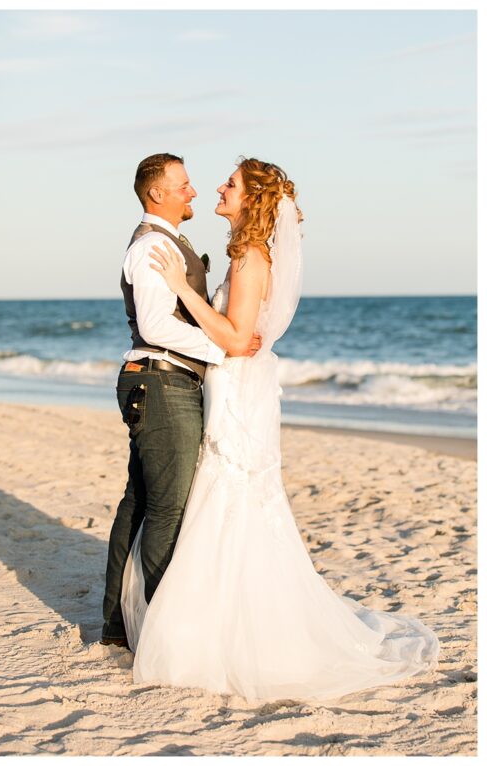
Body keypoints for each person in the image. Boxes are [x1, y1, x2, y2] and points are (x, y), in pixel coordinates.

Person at [122, 158, 439, 701]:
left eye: (231, 183)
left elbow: (236, 336)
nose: (219, 187)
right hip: (237, 385)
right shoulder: (244, 253)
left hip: (239, 388)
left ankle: (227, 634)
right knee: (222, 501)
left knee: (232, 498)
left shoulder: (249, 256)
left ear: (251, 199)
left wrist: (183, 288)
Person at [101, 153, 258, 648]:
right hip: (161, 381)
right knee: (167, 508)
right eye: (183, 185)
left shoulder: (167, 241)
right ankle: (156, 630)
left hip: (158, 381)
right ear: (157, 194)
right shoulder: (150, 245)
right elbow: (155, 325)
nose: (193, 192)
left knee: (142, 502)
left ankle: (117, 623)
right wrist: (220, 348)